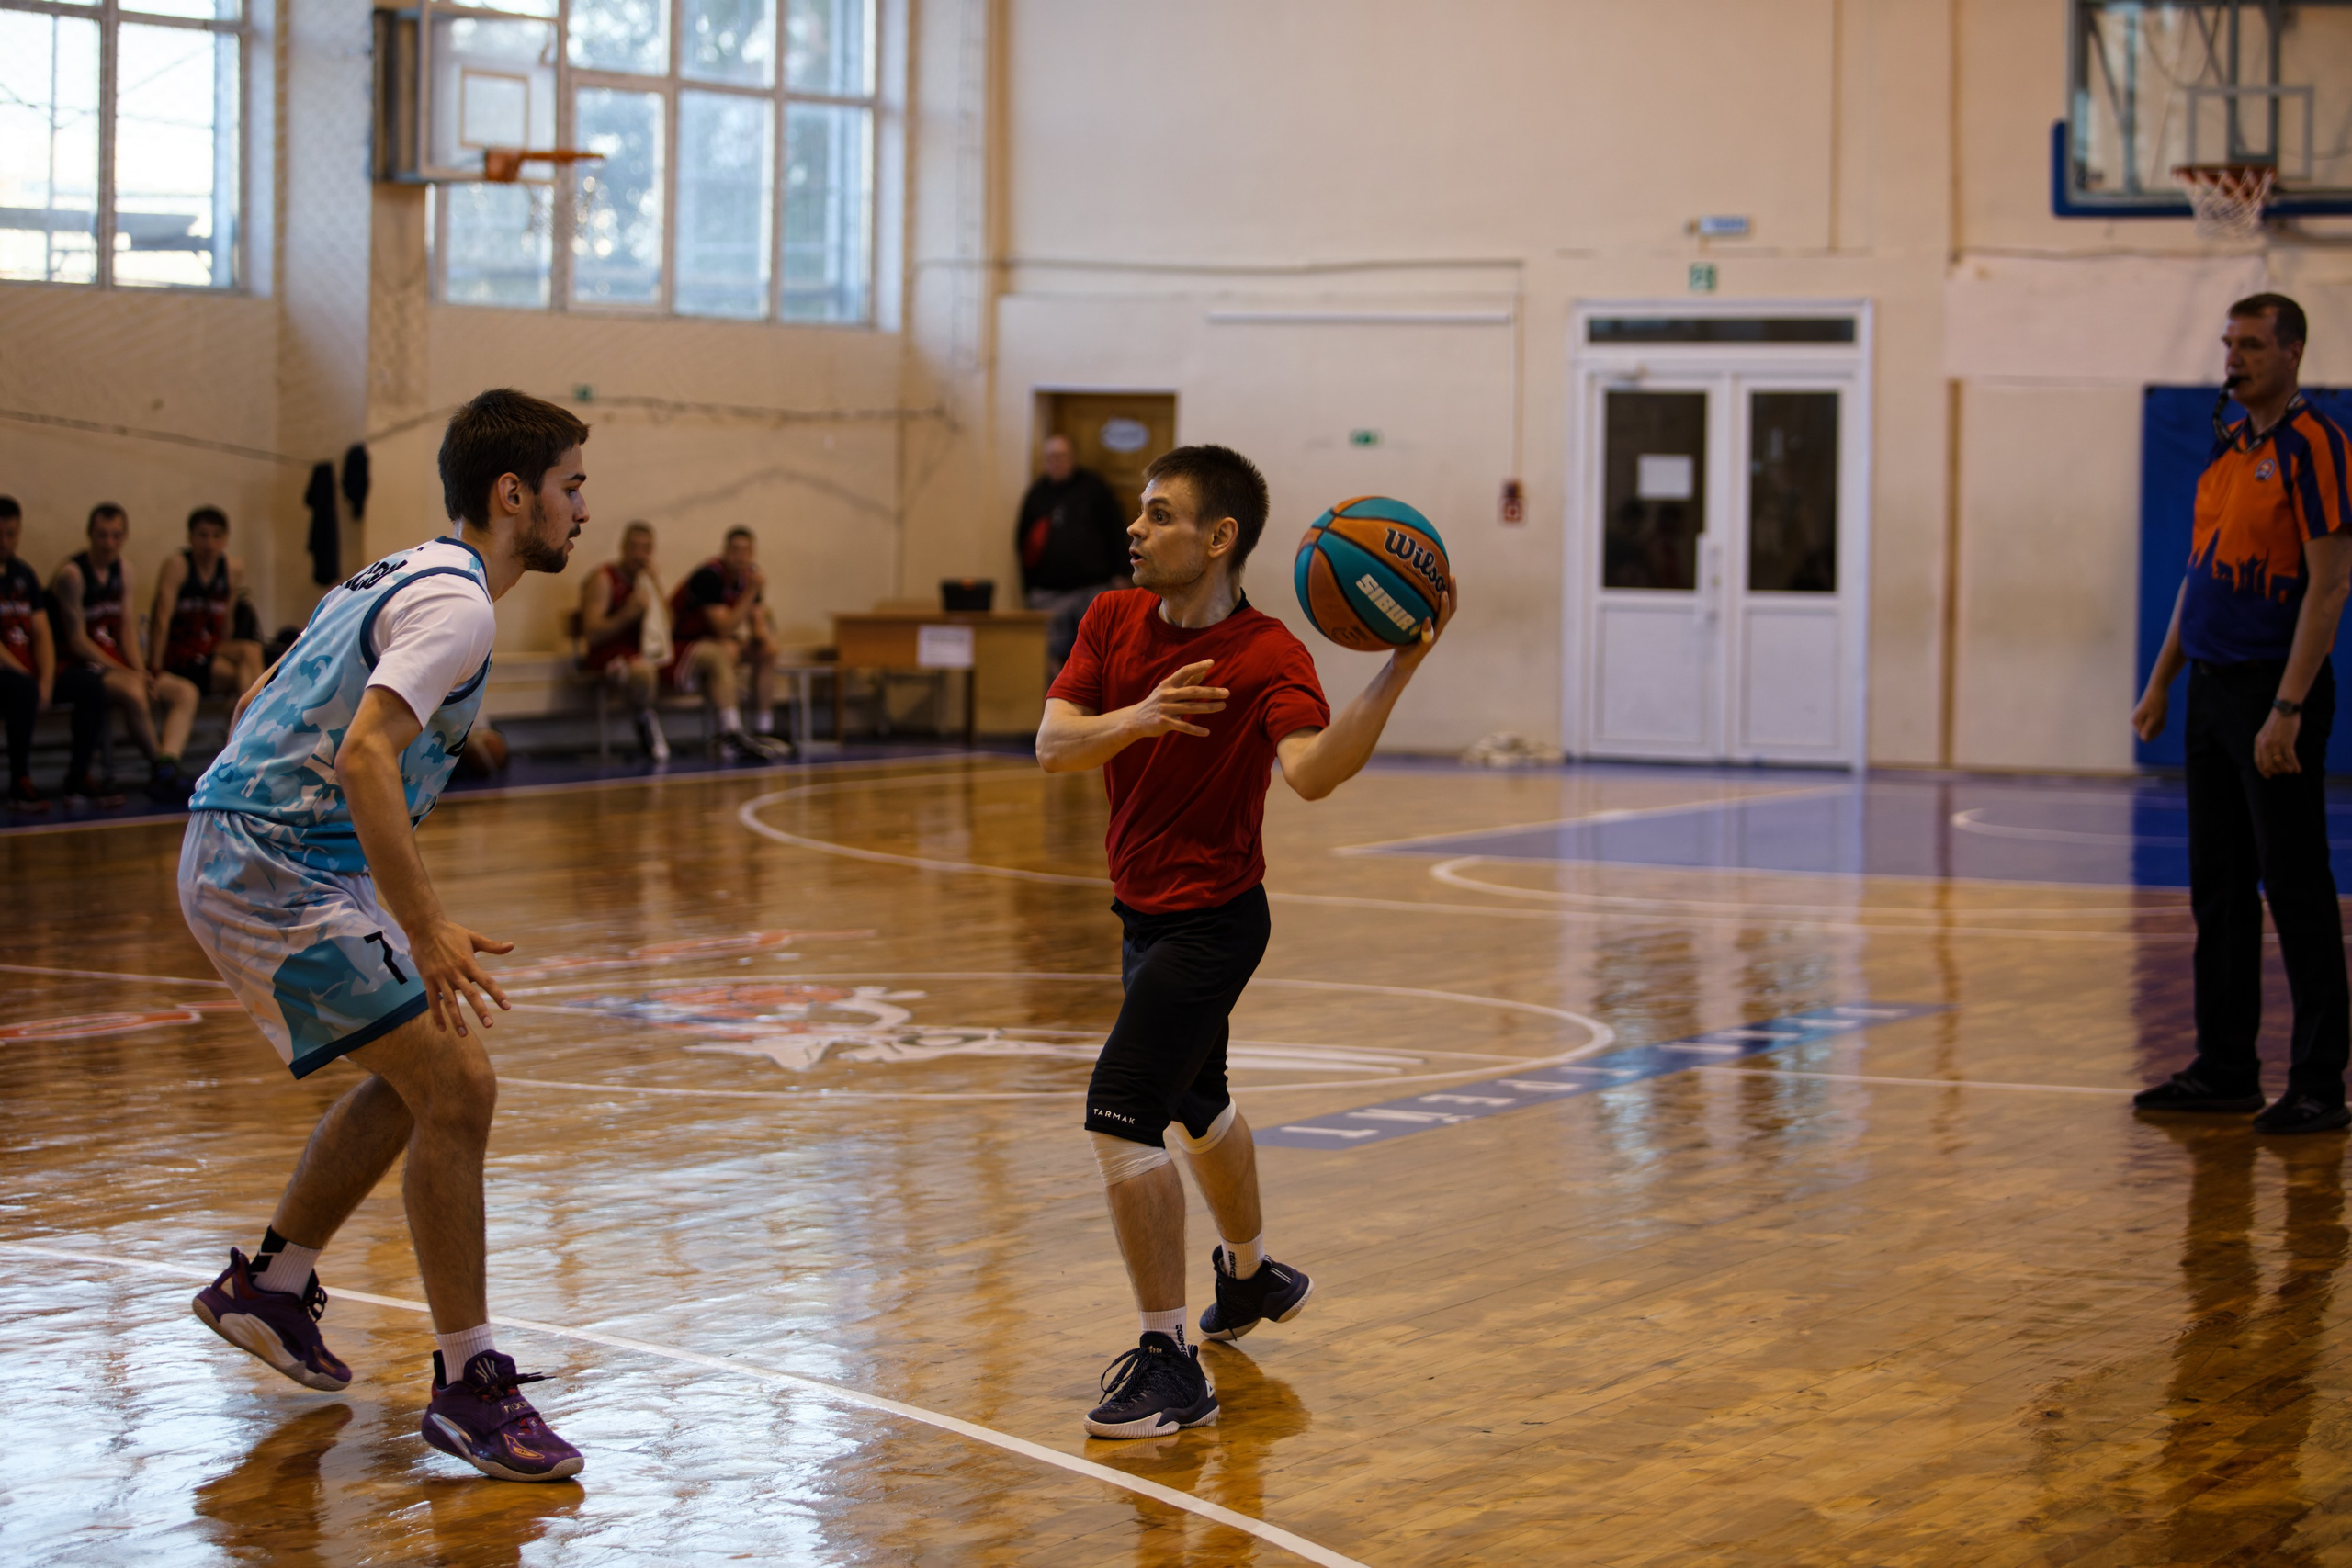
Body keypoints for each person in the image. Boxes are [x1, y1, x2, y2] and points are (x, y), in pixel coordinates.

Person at [180, 388, 589, 1482]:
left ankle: (271, 1287)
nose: (583, 509)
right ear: (514, 495)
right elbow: (364, 754)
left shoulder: (399, 570)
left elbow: (260, 700)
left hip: (281, 851)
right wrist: (424, 924)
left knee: (424, 1080)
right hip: (271, 865)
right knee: (459, 1083)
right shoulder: (461, 607)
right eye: (570, 486)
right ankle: (468, 1388)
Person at [1035, 444, 1455, 1438]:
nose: (1136, 527)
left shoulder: (1268, 654)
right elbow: (1053, 744)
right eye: (1140, 510)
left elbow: (1310, 773)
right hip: (1142, 912)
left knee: (1120, 1113)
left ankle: (1169, 1360)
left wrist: (1401, 667)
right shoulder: (1110, 619)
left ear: (1219, 537)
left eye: (1160, 513)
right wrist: (1140, 716)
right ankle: (1254, 1274)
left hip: (1217, 922)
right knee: (1197, 1103)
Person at [2132, 292, 2352, 1135]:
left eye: (2254, 344)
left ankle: (2320, 1083)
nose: (2236, 357)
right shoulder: (2227, 449)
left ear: (2292, 352)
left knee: (2295, 885)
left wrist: (2287, 707)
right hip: (2209, 691)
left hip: (2273, 691)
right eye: (2231, 343)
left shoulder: (2318, 445)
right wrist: (2162, 681)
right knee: (2218, 887)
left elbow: (2330, 585)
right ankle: (2225, 1067)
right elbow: (2200, 576)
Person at [50, 502, 194, 801]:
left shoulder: (124, 570)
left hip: (115, 663)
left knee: (185, 692)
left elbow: (126, 627)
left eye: (116, 535)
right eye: (102, 535)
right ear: (90, 534)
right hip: (79, 665)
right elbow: (77, 641)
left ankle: (169, 760)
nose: (109, 543)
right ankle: (160, 768)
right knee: (134, 691)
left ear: (125, 536)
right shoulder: (72, 575)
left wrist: (140, 669)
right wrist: (127, 673)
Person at [1, 497, 110, 814]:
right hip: (8, 674)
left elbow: (42, 632)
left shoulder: (24, 574)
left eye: (11, 533)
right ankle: (20, 782)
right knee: (22, 690)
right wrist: (28, 678)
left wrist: (47, 681)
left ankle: (78, 777)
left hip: (30, 673)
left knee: (90, 685)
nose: (4, 541)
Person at [147, 505, 266, 761]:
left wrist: (223, 650)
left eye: (216, 536)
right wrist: (154, 669)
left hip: (208, 650)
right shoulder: (178, 566)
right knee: (239, 676)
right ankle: (251, 740)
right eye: (202, 535)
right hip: (181, 654)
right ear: (190, 537)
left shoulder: (231, 569)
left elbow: (227, 621)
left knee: (250, 651)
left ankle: (247, 735)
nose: (209, 543)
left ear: (225, 539)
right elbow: (161, 620)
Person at [667, 525, 792, 761]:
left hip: (715, 642)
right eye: (735, 550)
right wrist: (751, 591)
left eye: (746, 551)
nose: (740, 556)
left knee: (767, 651)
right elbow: (722, 628)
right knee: (726, 651)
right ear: (725, 550)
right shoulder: (709, 576)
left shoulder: (748, 578)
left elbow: (758, 626)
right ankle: (727, 733)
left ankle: (763, 729)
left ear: (753, 553)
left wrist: (762, 637)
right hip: (684, 646)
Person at [1019, 434, 1131, 672]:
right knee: (1050, 658)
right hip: (1048, 594)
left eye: (1061, 456)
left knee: (1095, 653)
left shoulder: (1094, 488)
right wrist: (1029, 588)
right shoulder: (1036, 494)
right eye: (1051, 457)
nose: (1056, 461)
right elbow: (1023, 543)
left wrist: (1122, 572)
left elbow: (1115, 530)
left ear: (1072, 458)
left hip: (1091, 590)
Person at [577, 520, 673, 761]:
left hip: (639, 652)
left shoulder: (647, 581)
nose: (639, 555)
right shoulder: (604, 578)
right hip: (607, 654)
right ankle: (645, 720)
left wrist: (657, 587)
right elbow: (592, 633)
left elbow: (668, 626)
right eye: (634, 547)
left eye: (646, 548)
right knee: (643, 671)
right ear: (623, 547)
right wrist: (626, 615)